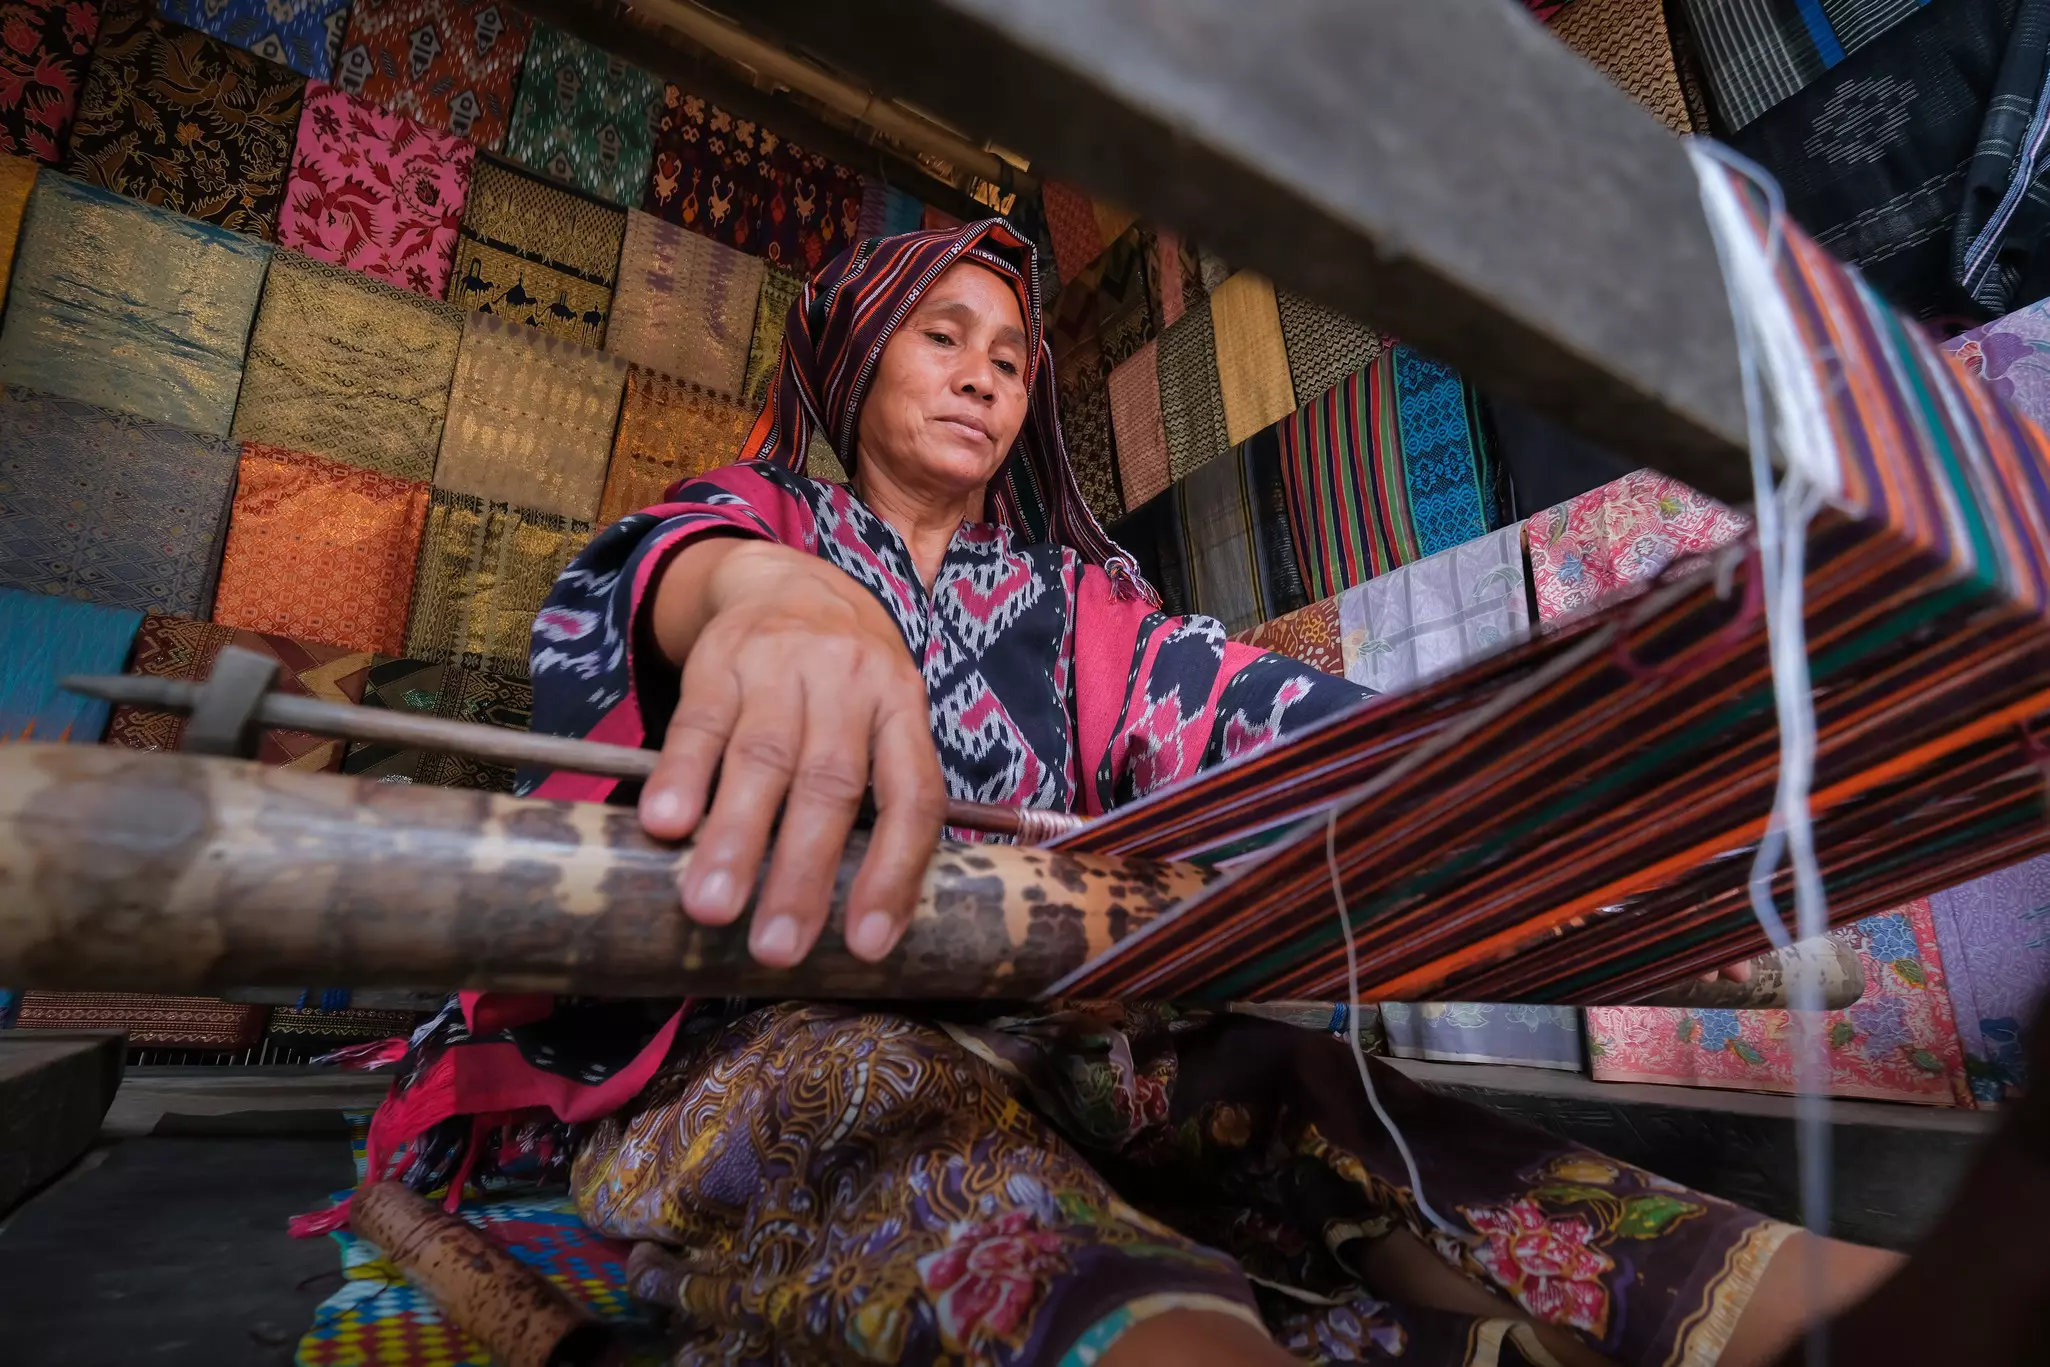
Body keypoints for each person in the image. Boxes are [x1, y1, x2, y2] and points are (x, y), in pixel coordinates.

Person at [352, 220, 1899, 1366]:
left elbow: (1239, 714)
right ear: (849, 348)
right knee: (895, 1109)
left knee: (1298, 1085)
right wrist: (784, 608)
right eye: (939, 334)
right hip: (761, 1048)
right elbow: (659, 586)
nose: (983, 376)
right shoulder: (746, 530)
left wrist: (1484, 774)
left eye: (1011, 356)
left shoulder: (1073, 605)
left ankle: (1829, 1306)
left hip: (1053, 1029)